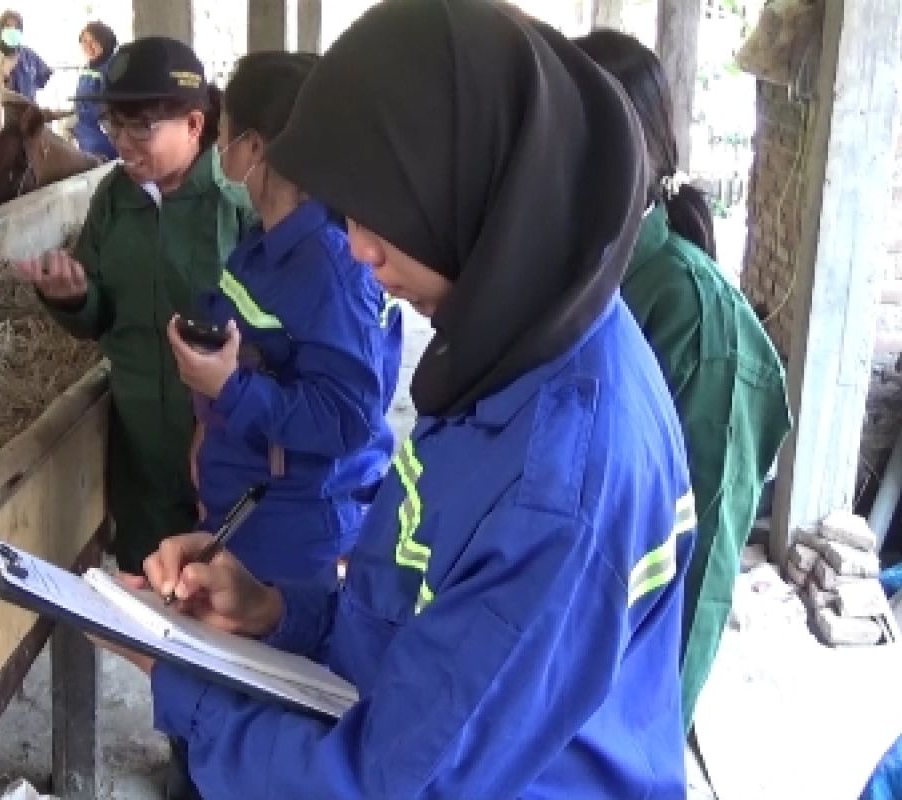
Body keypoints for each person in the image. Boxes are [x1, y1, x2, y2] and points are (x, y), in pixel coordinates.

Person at [106, 1, 698, 797]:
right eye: (347, 211)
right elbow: (425, 605)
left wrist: (183, 681)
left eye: (390, 213)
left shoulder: (555, 483)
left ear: (482, 189)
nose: (358, 248)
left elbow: (391, 784)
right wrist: (280, 612)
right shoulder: (522, 333)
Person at [576, 28, 792, 729]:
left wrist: (644, 744)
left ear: (624, 148)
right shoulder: (580, 275)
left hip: (618, 700)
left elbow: (696, 580)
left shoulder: (700, 325)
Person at [11, 37, 253, 581]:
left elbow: (274, 330)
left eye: (141, 127)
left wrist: (223, 414)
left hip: (223, 443)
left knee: (223, 595)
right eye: (115, 125)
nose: (122, 143)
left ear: (194, 125)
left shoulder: (237, 203)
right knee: (149, 589)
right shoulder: (113, 199)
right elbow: (98, 316)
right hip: (139, 443)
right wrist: (72, 297)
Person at [167, 51, 403, 589]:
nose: (219, 153)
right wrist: (208, 426)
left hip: (292, 530)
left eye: (224, 136)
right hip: (246, 508)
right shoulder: (262, 244)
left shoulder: (330, 267)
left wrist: (229, 389)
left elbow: (347, 417)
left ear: (255, 146)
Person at [73, 21, 119, 160]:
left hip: (107, 142)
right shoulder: (88, 68)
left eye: (94, 41)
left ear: (105, 42)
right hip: (87, 140)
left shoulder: (114, 68)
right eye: (84, 42)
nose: (88, 46)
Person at [0, 9, 52, 102]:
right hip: (1, 110)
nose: (12, 30)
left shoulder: (29, 55)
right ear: (1, 30)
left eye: (16, 27)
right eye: (8, 26)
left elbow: (44, 75)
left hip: (27, 110)